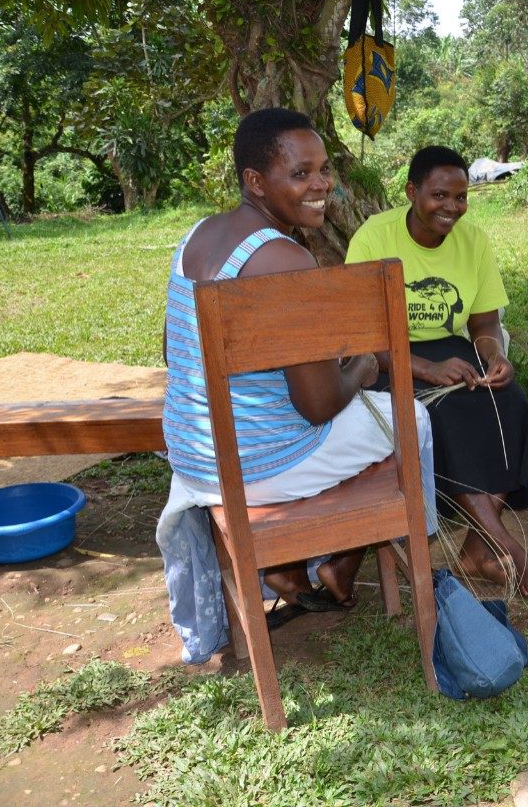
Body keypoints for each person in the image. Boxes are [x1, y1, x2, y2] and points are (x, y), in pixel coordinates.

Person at [156, 107, 438, 665]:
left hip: (195, 457)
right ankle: (358, 559)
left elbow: (174, 351)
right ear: (255, 181)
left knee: (369, 423)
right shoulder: (287, 259)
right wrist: (362, 367)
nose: (321, 185)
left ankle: (294, 566)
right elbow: (318, 405)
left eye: (323, 169)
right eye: (301, 173)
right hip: (258, 467)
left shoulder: (197, 236)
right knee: (413, 419)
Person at [345, 145, 528, 596]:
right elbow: (361, 333)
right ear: (411, 192)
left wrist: (493, 355)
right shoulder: (374, 238)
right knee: (445, 413)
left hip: (451, 348)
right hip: (385, 356)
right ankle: (504, 544)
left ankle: (478, 548)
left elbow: (483, 322)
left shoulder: (473, 241)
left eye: (461, 197)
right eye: (439, 195)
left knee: (510, 402)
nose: (452, 208)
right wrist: (424, 367)